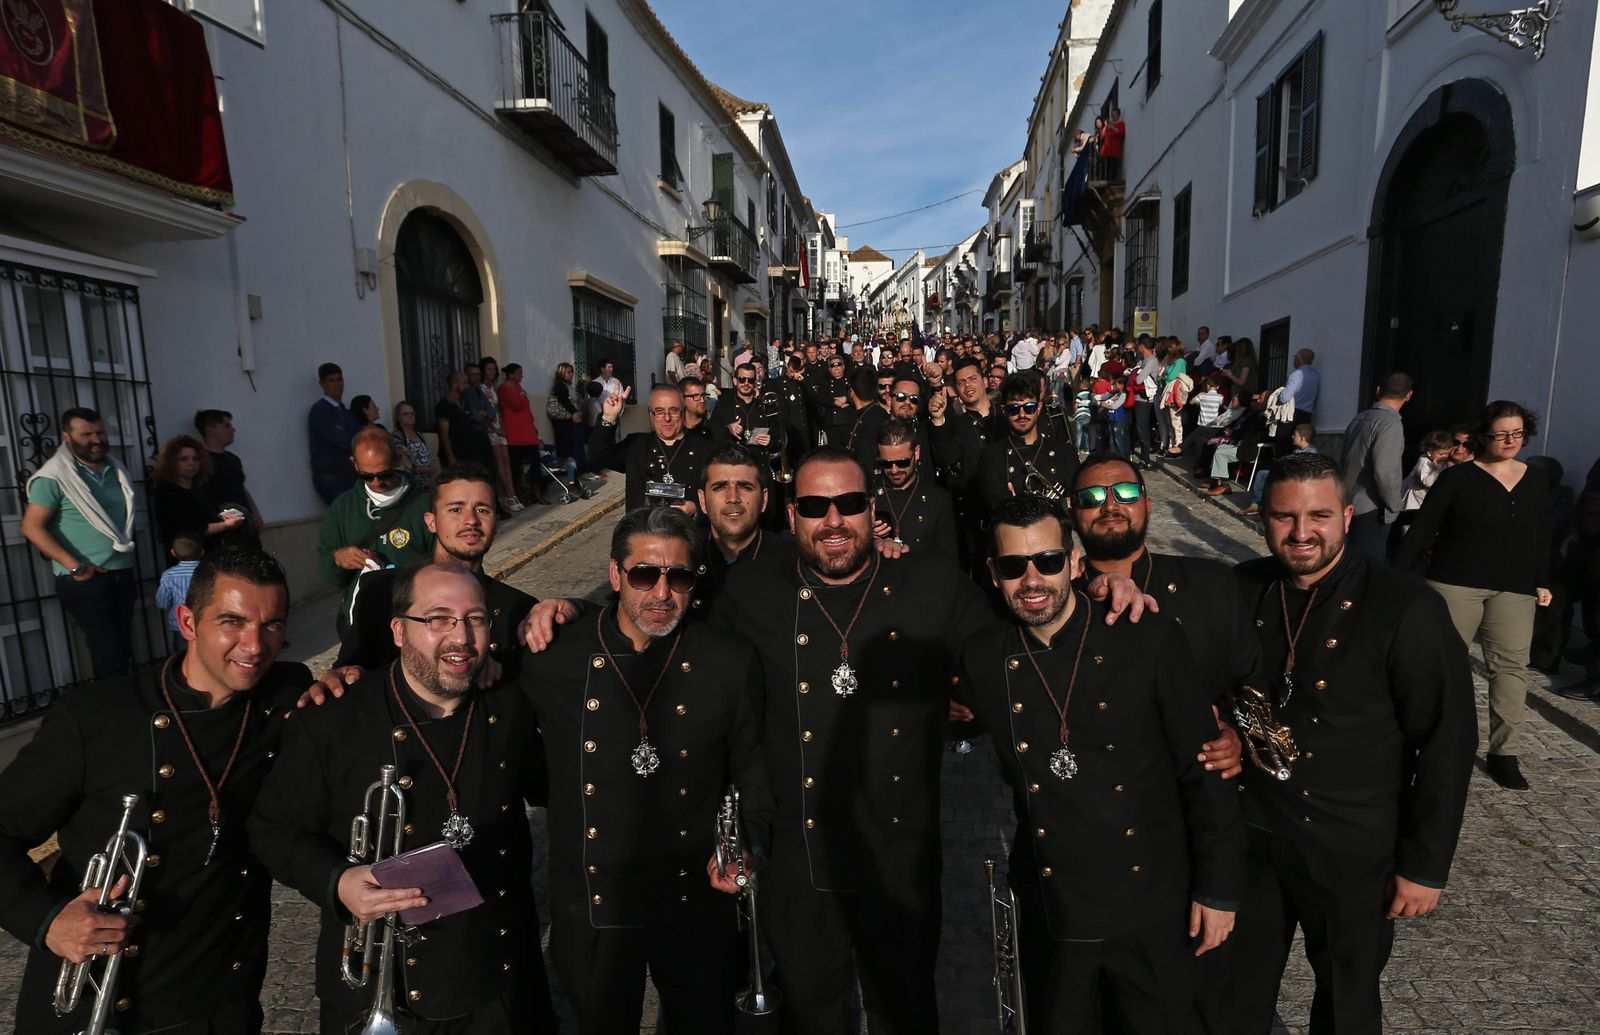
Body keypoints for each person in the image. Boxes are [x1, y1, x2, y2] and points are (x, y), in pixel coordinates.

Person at [708, 447, 994, 1033]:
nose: (833, 520)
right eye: (815, 505)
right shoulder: (752, 592)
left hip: (900, 856)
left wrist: (1098, 594)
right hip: (795, 854)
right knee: (813, 1013)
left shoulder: (931, 581)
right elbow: (692, 672)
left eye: (850, 504)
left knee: (907, 1009)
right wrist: (565, 616)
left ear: (873, 511)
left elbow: (1007, 665)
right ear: (791, 516)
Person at [959, 495, 1243, 1031]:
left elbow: (1204, 768)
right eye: (1014, 566)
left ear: (1073, 561)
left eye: (1047, 560)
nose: (1032, 579)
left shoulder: (1146, 635)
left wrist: (1218, 888)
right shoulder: (981, 655)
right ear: (993, 574)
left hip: (1153, 901)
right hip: (1055, 905)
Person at [0, 548, 311, 1035]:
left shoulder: (284, 699)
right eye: (232, 621)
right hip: (100, 999)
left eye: (272, 624)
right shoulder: (98, 717)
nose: (254, 645)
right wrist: (49, 921)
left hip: (220, 1005)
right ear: (187, 621)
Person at [1225, 452, 1476, 1033]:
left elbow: (1447, 741)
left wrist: (1425, 865)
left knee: (1347, 998)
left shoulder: (1406, 606)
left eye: (1318, 515)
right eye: (1285, 517)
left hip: (1352, 846)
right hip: (1252, 835)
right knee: (1233, 992)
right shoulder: (1241, 587)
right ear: (1262, 517)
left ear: (1346, 514)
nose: (1302, 532)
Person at [249, 565, 557, 1033]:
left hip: (496, 977)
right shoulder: (333, 719)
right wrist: (337, 882)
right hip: (387, 978)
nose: (461, 637)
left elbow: (552, 781)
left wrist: (567, 609)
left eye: (475, 619)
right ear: (398, 630)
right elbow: (272, 830)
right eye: (437, 619)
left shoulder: (508, 704)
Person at [519, 507, 773, 1032]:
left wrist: (750, 844)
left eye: (679, 576)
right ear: (615, 576)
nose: (662, 593)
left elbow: (752, 768)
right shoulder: (555, 656)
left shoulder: (728, 660)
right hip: (595, 906)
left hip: (695, 898)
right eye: (643, 574)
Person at [1392, 401, 1552, 790]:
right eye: (1501, 434)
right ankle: (1425, 741)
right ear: (1483, 436)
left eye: (1517, 433)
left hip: (1513, 589)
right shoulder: (1458, 478)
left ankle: (1505, 754)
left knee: (1512, 669)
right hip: (1455, 584)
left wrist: (1544, 580)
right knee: (1440, 665)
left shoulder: (1536, 479)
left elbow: (1543, 535)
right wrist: (1395, 575)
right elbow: (1423, 528)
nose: (1511, 441)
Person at [21, 407, 140, 678]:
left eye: (99, 432)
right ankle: (111, 712)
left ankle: (124, 705)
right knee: (106, 650)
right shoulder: (53, 477)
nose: (95, 439)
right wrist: (76, 567)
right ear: (67, 437)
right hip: (85, 579)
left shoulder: (115, 469)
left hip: (120, 571)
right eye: (86, 434)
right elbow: (31, 526)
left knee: (122, 648)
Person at [315, 428, 435, 629]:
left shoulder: (425, 504)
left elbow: (445, 563)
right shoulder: (342, 507)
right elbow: (327, 570)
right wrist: (338, 558)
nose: (377, 482)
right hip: (360, 623)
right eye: (366, 476)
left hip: (415, 621)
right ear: (354, 463)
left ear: (397, 459)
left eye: (384, 474)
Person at [589, 384, 710, 514]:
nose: (667, 418)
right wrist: (609, 418)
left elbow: (719, 499)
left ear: (683, 412)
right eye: (659, 411)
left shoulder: (704, 448)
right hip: (642, 531)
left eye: (673, 411)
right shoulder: (636, 445)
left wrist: (696, 509)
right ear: (650, 414)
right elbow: (597, 456)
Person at [1339, 372, 1413, 560]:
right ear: (1409, 395)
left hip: (1348, 500)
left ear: (1378, 390)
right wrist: (1394, 506)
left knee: (1347, 562)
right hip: (1371, 505)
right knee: (1368, 568)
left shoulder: (1360, 418)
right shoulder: (1390, 424)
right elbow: (1385, 472)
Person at [981, 373, 1080, 511]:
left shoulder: (1065, 452)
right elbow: (997, 507)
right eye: (1014, 409)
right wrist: (1060, 504)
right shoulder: (992, 455)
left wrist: (1018, 505)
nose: (1022, 415)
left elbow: (1078, 505)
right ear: (1004, 411)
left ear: (1038, 408)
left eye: (1029, 407)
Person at [872, 418, 957, 557]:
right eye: (886, 463)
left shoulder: (938, 500)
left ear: (916, 453)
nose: (894, 470)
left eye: (902, 462)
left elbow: (948, 559)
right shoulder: (868, 495)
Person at [150, 434, 247, 552]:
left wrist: (224, 517)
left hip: (212, 551)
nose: (191, 463)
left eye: (195, 459)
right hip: (186, 556)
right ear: (171, 462)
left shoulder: (200, 487)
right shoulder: (166, 493)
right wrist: (225, 525)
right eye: (184, 459)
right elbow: (190, 529)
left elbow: (209, 515)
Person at [194, 409, 265, 535]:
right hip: (221, 528)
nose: (233, 430)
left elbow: (241, 488)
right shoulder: (198, 461)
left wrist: (255, 513)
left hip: (244, 524)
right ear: (210, 430)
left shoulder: (233, 458)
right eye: (226, 426)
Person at [307, 362, 360, 503]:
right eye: (331, 381)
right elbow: (344, 441)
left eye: (339, 380)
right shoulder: (321, 410)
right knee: (347, 517)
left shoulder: (345, 411)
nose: (337, 384)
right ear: (322, 384)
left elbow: (356, 437)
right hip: (332, 477)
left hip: (350, 475)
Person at [496, 362, 541, 505]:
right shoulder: (504, 389)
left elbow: (525, 408)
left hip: (527, 431)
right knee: (516, 466)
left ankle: (536, 493)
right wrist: (522, 395)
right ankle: (519, 494)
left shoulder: (519, 388)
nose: (521, 376)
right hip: (515, 433)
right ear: (511, 374)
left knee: (535, 463)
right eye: (519, 373)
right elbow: (517, 405)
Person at [155, 531, 203, 654]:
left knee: (183, 656)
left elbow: (162, 602)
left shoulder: (169, 575)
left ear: (173, 553)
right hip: (206, 622)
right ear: (202, 552)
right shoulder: (209, 571)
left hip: (180, 625)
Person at [435, 370, 488, 468]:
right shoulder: (443, 405)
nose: (467, 386)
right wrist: (451, 457)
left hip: (468, 453)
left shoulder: (464, 403)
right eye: (464, 383)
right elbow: (444, 434)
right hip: (455, 453)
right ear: (454, 384)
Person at [391, 399, 441, 485]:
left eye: (412, 413)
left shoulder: (418, 434)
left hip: (429, 482)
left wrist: (434, 464)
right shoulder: (397, 436)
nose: (410, 416)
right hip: (414, 484)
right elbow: (402, 462)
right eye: (406, 414)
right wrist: (421, 470)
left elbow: (428, 453)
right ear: (399, 417)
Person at [1283, 349, 1320, 427]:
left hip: (1292, 413)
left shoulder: (1296, 374)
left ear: (1298, 359)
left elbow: (1285, 398)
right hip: (1307, 414)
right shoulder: (1316, 375)